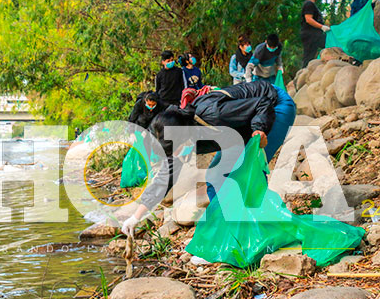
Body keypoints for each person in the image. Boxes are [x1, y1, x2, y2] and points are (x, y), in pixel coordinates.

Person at [121, 81, 296, 236]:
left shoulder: (214, 114)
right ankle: (227, 233)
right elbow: (165, 179)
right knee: (215, 177)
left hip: (274, 106)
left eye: (176, 150)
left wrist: (259, 129)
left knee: (245, 173)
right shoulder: (176, 135)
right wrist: (136, 217)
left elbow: (262, 104)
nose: (176, 156)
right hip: (239, 126)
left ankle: (260, 231)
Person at [300, 0, 330, 68]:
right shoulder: (309, 4)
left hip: (315, 35)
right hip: (311, 35)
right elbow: (308, 19)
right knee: (308, 57)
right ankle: (303, 73)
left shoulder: (310, 4)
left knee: (328, 44)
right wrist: (322, 27)